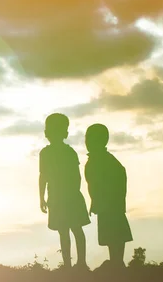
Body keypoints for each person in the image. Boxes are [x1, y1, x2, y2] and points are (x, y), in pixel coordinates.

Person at [39, 113, 90, 269]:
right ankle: (69, 264)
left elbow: (76, 177)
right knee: (65, 231)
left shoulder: (68, 152)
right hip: (58, 197)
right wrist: (42, 198)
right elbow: (43, 177)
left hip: (68, 197)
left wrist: (71, 194)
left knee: (74, 230)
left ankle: (80, 262)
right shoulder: (47, 153)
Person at [84, 123, 133, 268]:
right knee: (111, 235)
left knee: (114, 235)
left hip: (111, 204)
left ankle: (117, 263)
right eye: (86, 139)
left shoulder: (104, 160)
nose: (87, 142)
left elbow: (112, 180)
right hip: (106, 204)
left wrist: (105, 199)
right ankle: (116, 262)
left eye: (90, 139)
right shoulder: (97, 159)